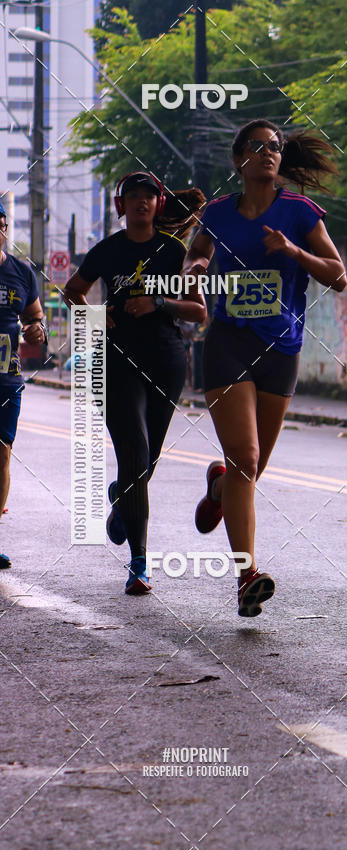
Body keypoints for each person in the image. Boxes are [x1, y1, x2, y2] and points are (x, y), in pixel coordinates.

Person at [183, 119, 347, 617]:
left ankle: (218, 488)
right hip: (229, 343)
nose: (268, 152)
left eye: (274, 146)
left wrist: (293, 250)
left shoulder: (299, 212)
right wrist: (196, 268)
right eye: (257, 146)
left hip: (281, 349)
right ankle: (246, 575)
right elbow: (196, 253)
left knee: (247, 473)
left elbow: (338, 276)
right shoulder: (217, 213)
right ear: (239, 159)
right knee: (246, 458)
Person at [64, 172, 206, 595]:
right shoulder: (107, 250)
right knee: (135, 452)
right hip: (116, 361)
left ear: (159, 204)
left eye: (149, 195)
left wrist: (158, 302)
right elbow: (73, 291)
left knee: (146, 461)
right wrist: (96, 314)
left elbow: (197, 311)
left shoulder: (174, 251)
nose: (141, 201)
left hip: (166, 360)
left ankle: (122, 499)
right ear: (120, 206)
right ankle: (140, 563)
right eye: (133, 196)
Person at [0, 199, 47, 567]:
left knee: (2, 454)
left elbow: (35, 318)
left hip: (6, 377)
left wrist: (36, 330)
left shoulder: (21, 272)